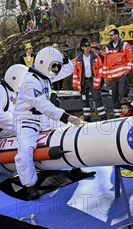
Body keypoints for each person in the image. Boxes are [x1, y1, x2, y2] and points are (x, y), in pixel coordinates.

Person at [13, 46, 82, 200]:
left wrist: (63, 59)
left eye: (57, 66)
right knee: (25, 149)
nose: (57, 69)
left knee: (68, 133)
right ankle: (29, 185)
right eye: (54, 66)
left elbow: (67, 71)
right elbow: (44, 105)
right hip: (26, 119)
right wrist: (68, 117)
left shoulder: (45, 76)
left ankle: (75, 169)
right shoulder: (31, 81)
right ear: (45, 64)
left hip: (43, 118)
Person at [72, 37, 106, 122]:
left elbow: (100, 69)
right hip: (83, 82)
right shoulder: (78, 58)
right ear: (82, 47)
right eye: (85, 46)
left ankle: (103, 118)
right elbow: (76, 72)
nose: (88, 48)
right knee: (84, 100)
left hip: (92, 81)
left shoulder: (95, 57)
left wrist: (98, 81)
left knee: (97, 99)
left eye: (89, 46)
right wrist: (75, 84)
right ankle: (87, 119)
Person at [103, 28, 133, 118]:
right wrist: (105, 77)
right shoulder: (107, 48)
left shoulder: (125, 45)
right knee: (114, 96)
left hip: (121, 75)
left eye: (112, 35)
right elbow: (105, 63)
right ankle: (117, 115)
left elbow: (129, 58)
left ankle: (126, 114)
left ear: (117, 35)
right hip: (112, 77)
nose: (110, 37)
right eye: (109, 35)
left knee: (122, 94)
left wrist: (127, 72)